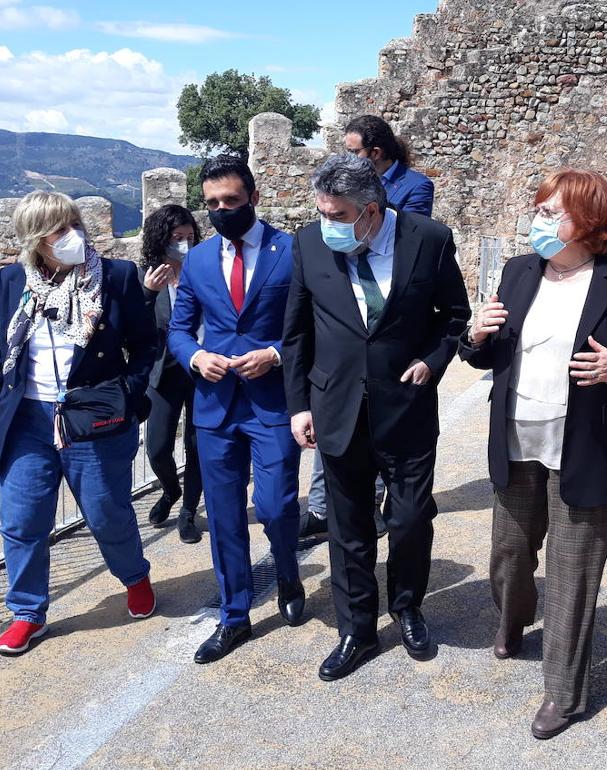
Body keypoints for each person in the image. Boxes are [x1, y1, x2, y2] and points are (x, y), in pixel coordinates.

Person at [459, 169, 607, 740]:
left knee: (572, 572)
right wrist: (474, 335)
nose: (541, 220)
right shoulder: (519, 270)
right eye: (541, 208)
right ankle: (513, 619)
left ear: (590, 220)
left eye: (554, 211)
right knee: (508, 552)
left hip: (584, 447)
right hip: (517, 439)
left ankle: (563, 694)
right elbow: (486, 355)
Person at [283, 153, 470, 681]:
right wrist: (299, 404)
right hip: (336, 406)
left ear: (371, 210)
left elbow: (454, 316)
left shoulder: (428, 240)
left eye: (338, 215)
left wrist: (432, 362)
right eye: (321, 212)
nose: (328, 225)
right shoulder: (308, 243)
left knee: (409, 518)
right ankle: (357, 630)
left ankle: (407, 607)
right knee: (348, 526)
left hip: (406, 407)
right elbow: (295, 332)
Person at [0, 190, 158, 655]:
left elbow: (147, 345)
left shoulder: (116, 276)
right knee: (21, 520)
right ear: (35, 239)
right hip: (27, 419)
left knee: (105, 511)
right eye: (59, 229)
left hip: (93, 417)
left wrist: (130, 397)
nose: (72, 234)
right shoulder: (13, 280)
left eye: (74, 223)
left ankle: (134, 576)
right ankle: (28, 613)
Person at [166, 155, 305, 665]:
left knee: (274, 506)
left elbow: (309, 325)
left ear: (253, 198)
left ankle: (288, 569)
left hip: (272, 405)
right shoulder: (199, 260)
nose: (222, 210)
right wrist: (197, 356)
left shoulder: (291, 251)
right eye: (212, 204)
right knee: (224, 517)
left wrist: (273, 354)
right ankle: (235, 616)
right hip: (215, 408)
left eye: (231, 201)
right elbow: (180, 330)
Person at [298, 113, 433, 541]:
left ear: (374, 152)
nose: (347, 156)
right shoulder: (317, 236)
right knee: (336, 441)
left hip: (388, 335)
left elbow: (403, 241)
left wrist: (369, 218)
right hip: (342, 365)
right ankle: (323, 508)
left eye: (353, 151)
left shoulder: (413, 189)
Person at [139, 204, 204, 543]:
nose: (184, 244)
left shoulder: (204, 269)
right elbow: (135, 331)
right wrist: (148, 295)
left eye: (190, 237)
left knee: (197, 446)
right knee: (158, 448)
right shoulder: (146, 276)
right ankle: (170, 490)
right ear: (161, 238)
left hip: (201, 369)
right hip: (163, 372)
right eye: (177, 237)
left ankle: (188, 513)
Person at [343, 114, 434, 216]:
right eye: (347, 151)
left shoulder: (417, 186)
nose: (348, 158)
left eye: (354, 152)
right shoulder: (349, 180)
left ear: (375, 153)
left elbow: (411, 230)